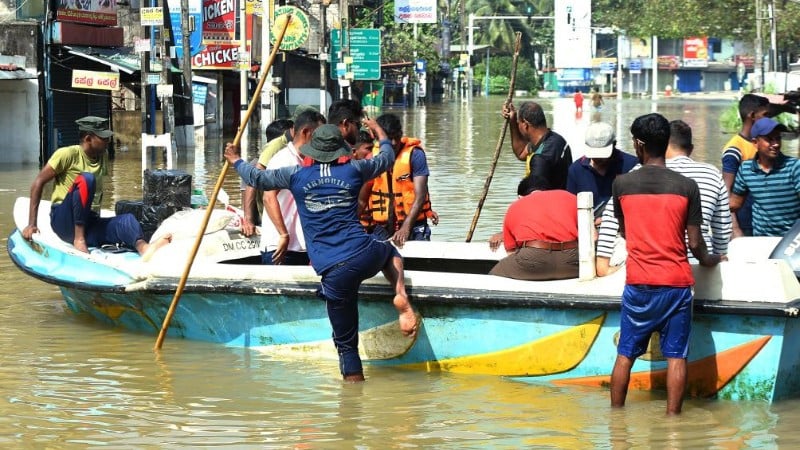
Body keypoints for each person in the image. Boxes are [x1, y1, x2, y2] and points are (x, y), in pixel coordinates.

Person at [224, 122, 418, 382]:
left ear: (311, 150)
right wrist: (379, 132)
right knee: (389, 249)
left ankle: (350, 404)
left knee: (346, 345)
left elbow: (256, 178)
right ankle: (400, 295)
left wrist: (235, 160)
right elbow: (386, 158)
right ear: (341, 149)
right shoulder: (355, 169)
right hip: (364, 253)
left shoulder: (295, 175)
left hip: (333, 270)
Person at [608, 113, 722, 415]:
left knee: (625, 356)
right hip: (676, 284)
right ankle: (674, 425)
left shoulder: (621, 184)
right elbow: (696, 243)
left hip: (639, 284)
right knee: (676, 357)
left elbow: (624, 231)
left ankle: (615, 421)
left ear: (639, 144)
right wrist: (711, 259)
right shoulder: (687, 186)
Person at [21, 116, 170, 260]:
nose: (107, 141)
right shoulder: (67, 154)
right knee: (86, 179)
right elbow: (38, 182)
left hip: (90, 222)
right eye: (103, 138)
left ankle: (144, 248)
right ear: (88, 139)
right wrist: (32, 224)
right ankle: (79, 240)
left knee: (127, 220)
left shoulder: (102, 156)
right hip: (64, 222)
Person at [595, 120, 732, 275]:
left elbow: (610, 221)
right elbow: (722, 229)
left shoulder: (632, 176)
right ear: (691, 149)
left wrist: (603, 266)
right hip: (698, 267)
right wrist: (717, 257)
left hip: (645, 269)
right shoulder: (711, 174)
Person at [261, 110, 326, 265]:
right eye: (319, 135)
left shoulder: (311, 161)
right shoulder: (284, 159)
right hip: (280, 247)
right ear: (305, 132)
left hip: (304, 246)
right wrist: (283, 234)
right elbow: (268, 197)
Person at [488, 175, 579, 281]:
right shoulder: (571, 197)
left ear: (520, 196)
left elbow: (511, 252)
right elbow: (593, 237)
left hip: (533, 260)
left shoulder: (516, 205)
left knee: (494, 276)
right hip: (573, 261)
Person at [366, 113, 436, 246]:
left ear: (401, 134)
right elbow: (362, 198)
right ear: (378, 137)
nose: (393, 143)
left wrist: (406, 227)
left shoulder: (415, 155)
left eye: (396, 137)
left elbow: (420, 196)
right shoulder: (372, 157)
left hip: (414, 224)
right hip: (381, 227)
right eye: (389, 138)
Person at [730, 117, 800, 237]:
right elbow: (733, 205)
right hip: (761, 240)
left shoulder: (794, 167)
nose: (776, 144)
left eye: (778, 138)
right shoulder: (746, 169)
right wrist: (735, 230)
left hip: (792, 241)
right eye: (769, 139)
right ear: (755, 143)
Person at [721, 94, 770, 237]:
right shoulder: (734, 149)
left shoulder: (762, 144)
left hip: (762, 223)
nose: (769, 120)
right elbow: (726, 192)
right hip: (745, 223)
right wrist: (735, 229)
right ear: (752, 115)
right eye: (765, 115)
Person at [566, 122, 638, 210]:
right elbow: (570, 207)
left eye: (602, 155)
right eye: (594, 153)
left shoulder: (632, 165)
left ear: (614, 144)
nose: (598, 158)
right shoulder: (576, 170)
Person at [502, 101, 572, 189]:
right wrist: (512, 120)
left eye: (518, 123)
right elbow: (521, 153)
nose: (518, 125)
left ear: (525, 125)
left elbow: (534, 193)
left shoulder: (540, 158)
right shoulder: (557, 139)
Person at [241, 118, 294, 234]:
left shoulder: (291, 160)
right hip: (271, 221)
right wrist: (248, 220)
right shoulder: (256, 165)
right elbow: (249, 191)